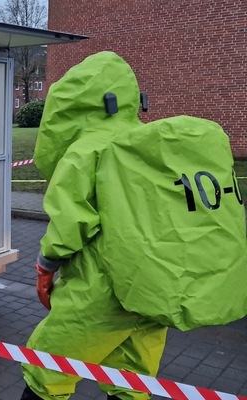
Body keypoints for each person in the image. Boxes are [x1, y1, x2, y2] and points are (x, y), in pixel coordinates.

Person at [20, 51, 247, 400]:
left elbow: (70, 226)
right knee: (133, 382)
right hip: (150, 292)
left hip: (101, 294)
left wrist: (45, 268)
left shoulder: (86, 151)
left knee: (47, 372)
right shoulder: (151, 145)